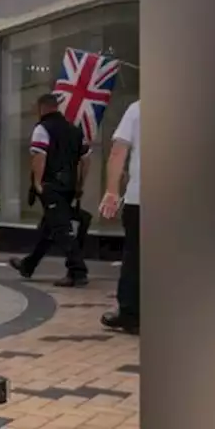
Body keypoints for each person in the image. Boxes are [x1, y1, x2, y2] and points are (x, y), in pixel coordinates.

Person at [8, 93, 90, 287]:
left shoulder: (42, 129)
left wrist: (37, 183)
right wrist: (79, 185)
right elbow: (85, 160)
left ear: (42, 107)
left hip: (51, 187)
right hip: (69, 187)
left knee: (61, 229)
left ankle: (78, 272)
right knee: (49, 227)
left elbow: (39, 156)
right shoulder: (75, 130)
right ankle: (28, 265)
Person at [99, 100, 140, 334]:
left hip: (141, 199)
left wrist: (112, 191)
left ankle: (131, 313)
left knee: (135, 256)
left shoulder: (138, 109)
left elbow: (118, 152)